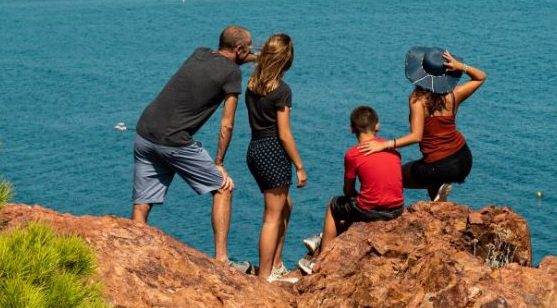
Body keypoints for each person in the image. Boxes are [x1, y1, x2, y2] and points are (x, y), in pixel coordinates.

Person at [131, 26, 257, 262]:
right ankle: (221, 260)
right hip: (174, 140)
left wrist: (257, 56)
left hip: (145, 133)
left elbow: (229, 59)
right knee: (223, 188)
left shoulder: (199, 53)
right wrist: (218, 162)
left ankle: (135, 254)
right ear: (239, 49)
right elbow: (227, 123)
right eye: (249, 47)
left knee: (143, 202)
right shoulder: (232, 74)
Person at [358, 47, 485, 202]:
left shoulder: (417, 101)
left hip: (440, 165)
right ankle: (438, 198)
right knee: (429, 172)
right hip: (464, 159)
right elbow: (480, 77)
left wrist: (384, 145)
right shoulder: (454, 95)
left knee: (396, 176)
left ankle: (396, 208)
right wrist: (461, 67)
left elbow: (416, 136)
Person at [299, 105, 404, 274]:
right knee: (354, 207)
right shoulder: (392, 148)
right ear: (377, 126)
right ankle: (324, 240)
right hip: (397, 210)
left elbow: (348, 191)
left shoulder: (352, 154)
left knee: (334, 205)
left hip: (372, 212)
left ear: (352, 129)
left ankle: (321, 260)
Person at [245, 33, 307, 281]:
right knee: (271, 217)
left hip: (255, 150)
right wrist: (299, 166)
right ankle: (264, 276)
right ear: (286, 61)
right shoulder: (282, 91)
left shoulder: (252, 85)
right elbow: (284, 134)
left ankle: (277, 264)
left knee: (285, 206)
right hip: (273, 152)